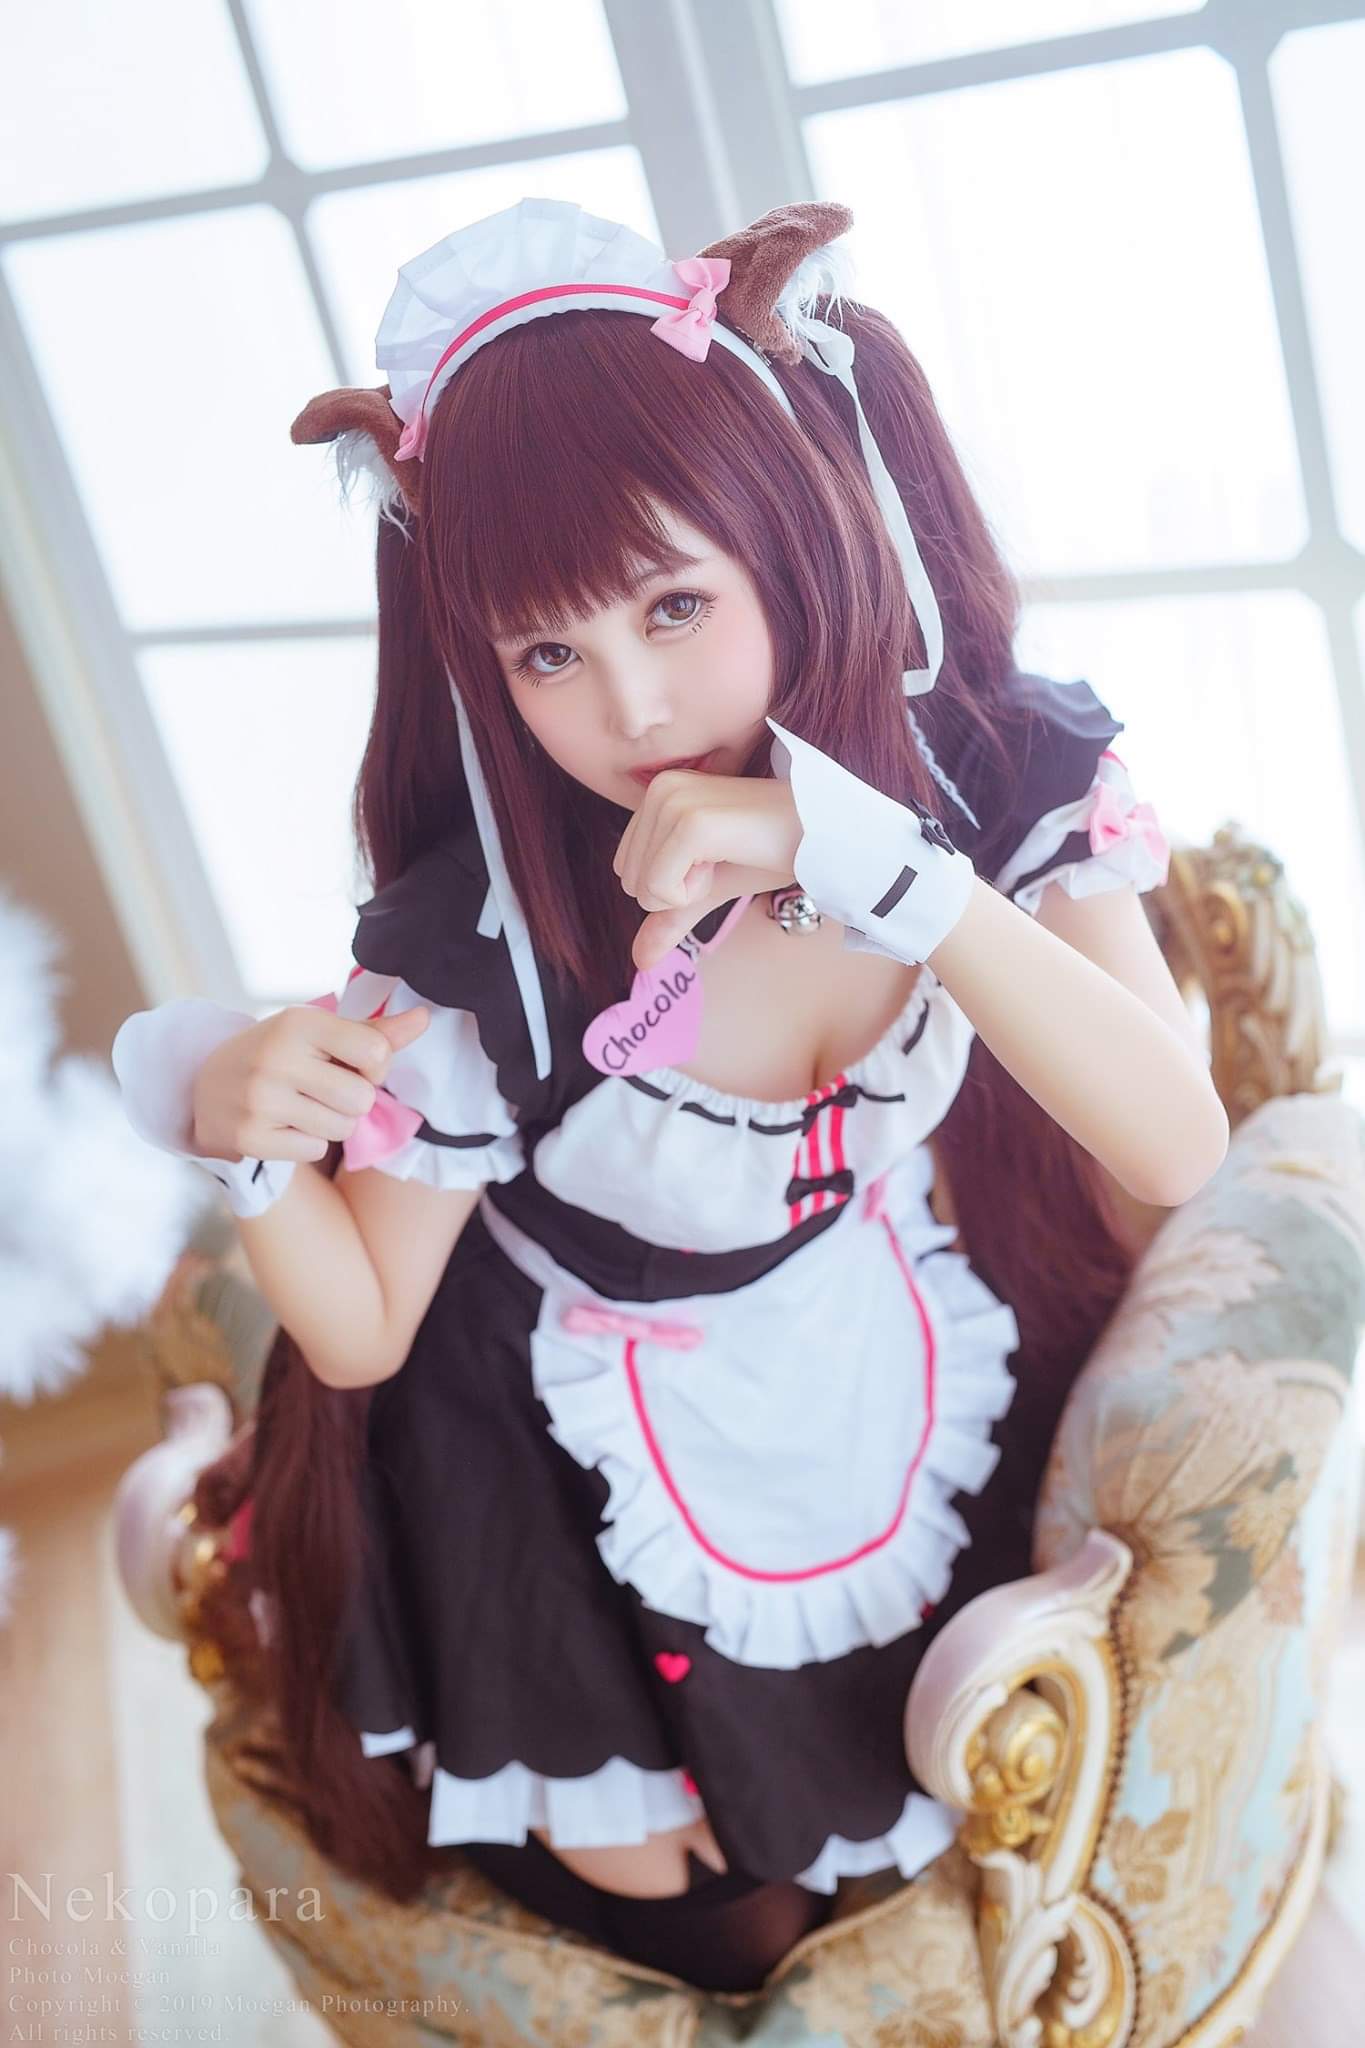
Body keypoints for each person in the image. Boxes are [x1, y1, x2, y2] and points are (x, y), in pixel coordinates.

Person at [112, 196, 1227, 1994]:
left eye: (674, 604)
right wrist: (219, 1113)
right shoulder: (492, 927)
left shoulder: (988, 766)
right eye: (546, 654)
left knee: (942, 1817)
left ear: (790, 531)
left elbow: (1173, 1142)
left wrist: (881, 869)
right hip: (547, 1441)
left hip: (858, 1338)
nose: (630, 708)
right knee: (717, 1918)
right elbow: (368, 1327)